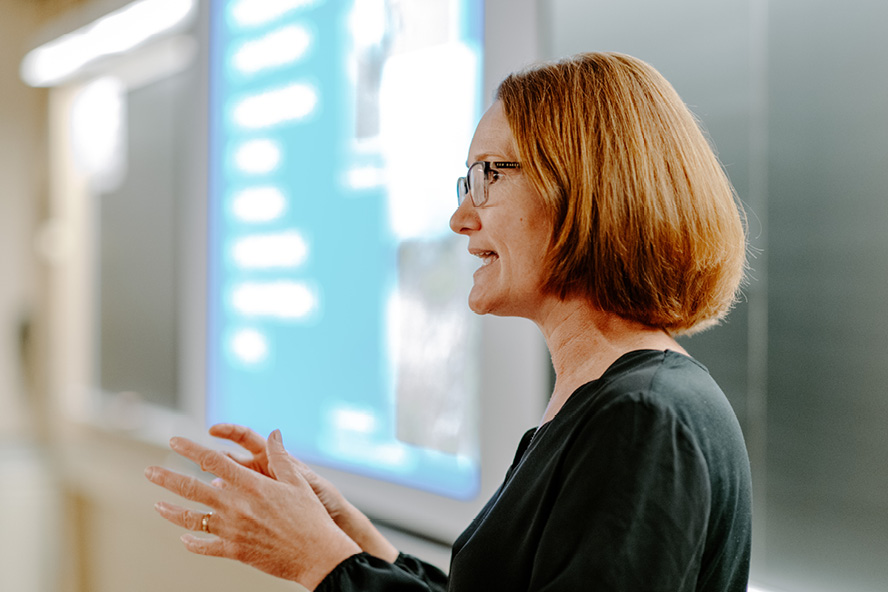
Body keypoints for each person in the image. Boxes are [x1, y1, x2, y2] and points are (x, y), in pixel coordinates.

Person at [145, 51, 751, 591]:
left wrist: (324, 563)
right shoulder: (607, 405)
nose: (461, 217)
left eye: (489, 175)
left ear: (588, 186)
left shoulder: (644, 420)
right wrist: (356, 542)